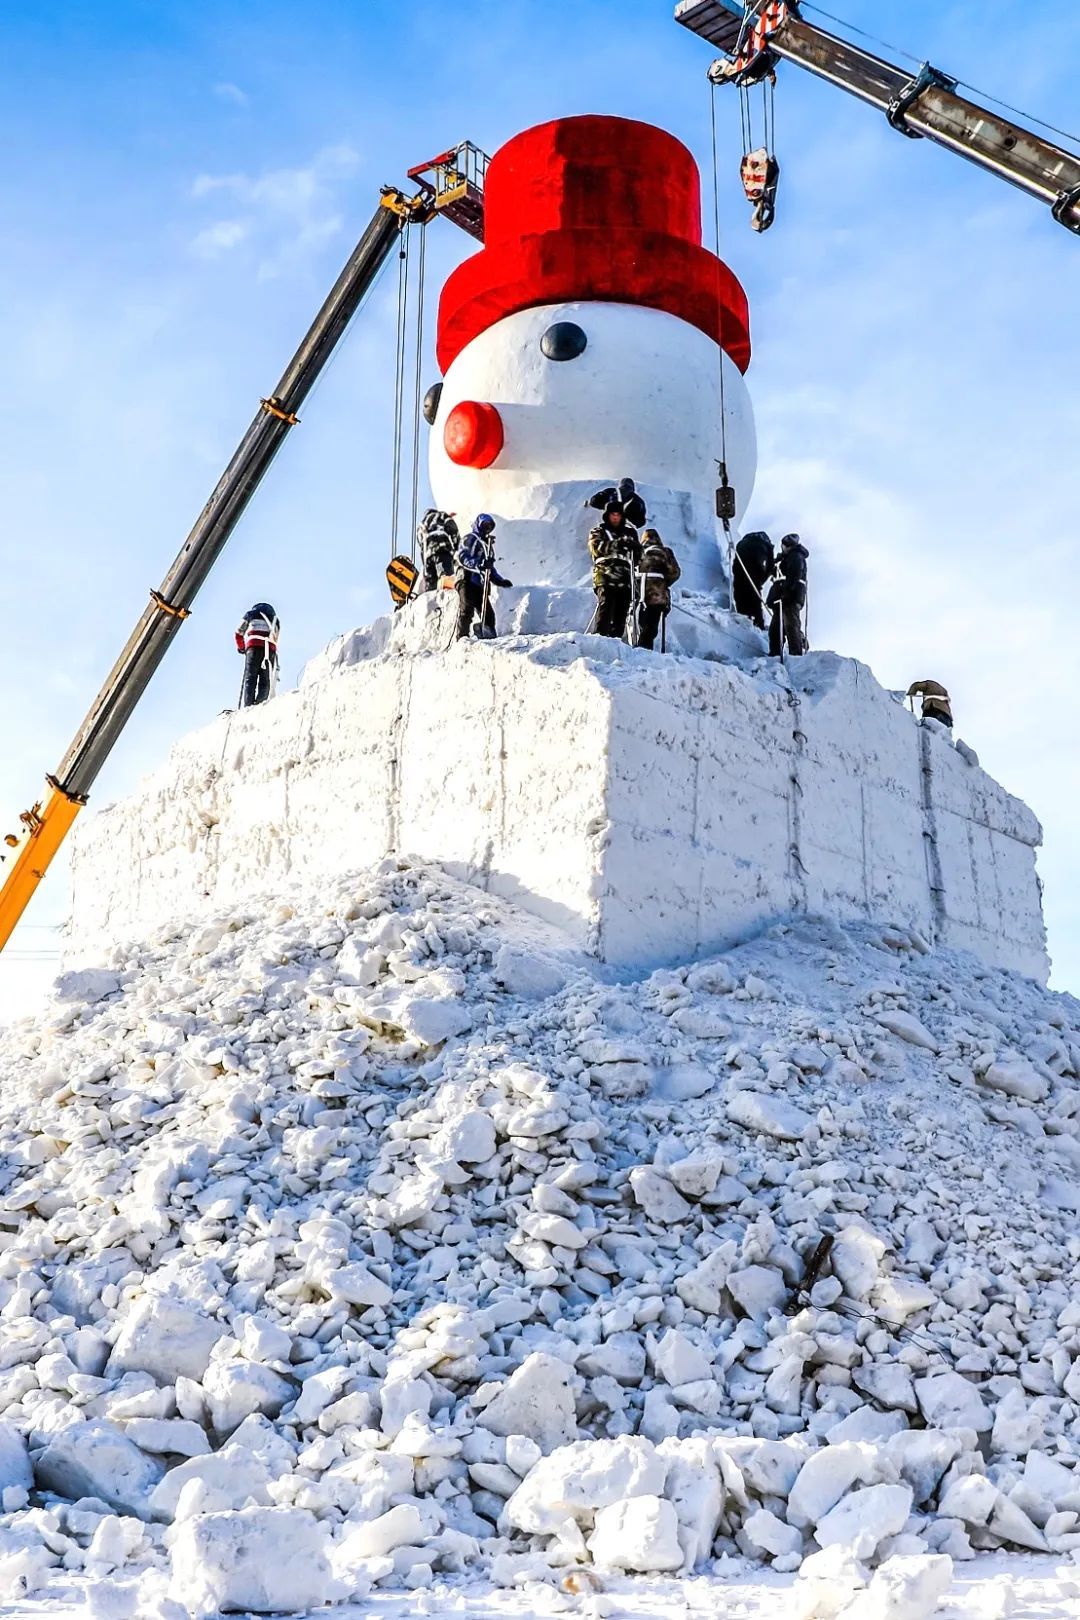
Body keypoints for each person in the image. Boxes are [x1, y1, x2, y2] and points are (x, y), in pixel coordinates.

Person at [588, 500, 642, 638]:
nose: (616, 517)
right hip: (606, 575)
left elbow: (638, 558)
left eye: (618, 514)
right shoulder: (598, 531)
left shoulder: (630, 533)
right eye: (613, 514)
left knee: (621, 614)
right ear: (607, 515)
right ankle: (599, 640)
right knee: (606, 607)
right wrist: (618, 544)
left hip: (625, 578)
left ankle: (614, 644)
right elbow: (596, 548)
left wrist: (637, 549)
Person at [455, 514, 511, 641]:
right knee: (467, 608)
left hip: (479, 583)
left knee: (488, 614)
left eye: (490, 526)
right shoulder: (471, 538)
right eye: (485, 525)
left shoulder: (487, 546)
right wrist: (478, 564)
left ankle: (488, 636)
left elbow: (489, 568)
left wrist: (499, 580)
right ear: (479, 525)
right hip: (466, 578)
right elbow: (463, 556)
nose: (487, 528)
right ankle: (461, 638)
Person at [637, 529, 681, 651]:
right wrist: (664, 582)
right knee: (651, 623)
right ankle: (645, 648)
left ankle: (637, 646)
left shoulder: (637, 551)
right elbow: (675, 572)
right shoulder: (665, 552)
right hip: (657, 594)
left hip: (638, 592)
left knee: (640, 621)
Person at [767, 534, 808, 657]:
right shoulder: (785, 559)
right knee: (776, 628)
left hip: (790, 596)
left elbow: (794, 575)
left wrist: (787, 592)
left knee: (791, 625)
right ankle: (775, 654)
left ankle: (796, 654)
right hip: (783, 597)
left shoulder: (795, 556)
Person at [235, 603, 280, 707]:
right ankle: (260, 706)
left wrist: (242, 648)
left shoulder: (250, 615)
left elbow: (238, 633)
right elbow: (276, 638)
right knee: (265, 680)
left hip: (253, 648)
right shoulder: (275, 620)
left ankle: (248, 706)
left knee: (250, 678)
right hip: (270, 650)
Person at [733, 530, 774, 629]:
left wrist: (736, 573)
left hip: (741, 559)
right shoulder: (767, 545)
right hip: (756, 562)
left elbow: (736, 564)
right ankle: (758, 623)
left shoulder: (744, 541)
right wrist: (761, 581)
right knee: (754, 592)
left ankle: (742, 615)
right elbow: (770, 567)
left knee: (740, 589)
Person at [417, 508, 460, 593]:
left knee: (431, 582)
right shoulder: (441, 515)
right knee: (445, 575)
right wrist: (457, 546)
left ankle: (432, 600)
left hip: (428, 556)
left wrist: (425, 563)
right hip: (442, 549)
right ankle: (448, 596)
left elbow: (421, 545)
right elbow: (452, 527)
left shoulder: (421, 525)